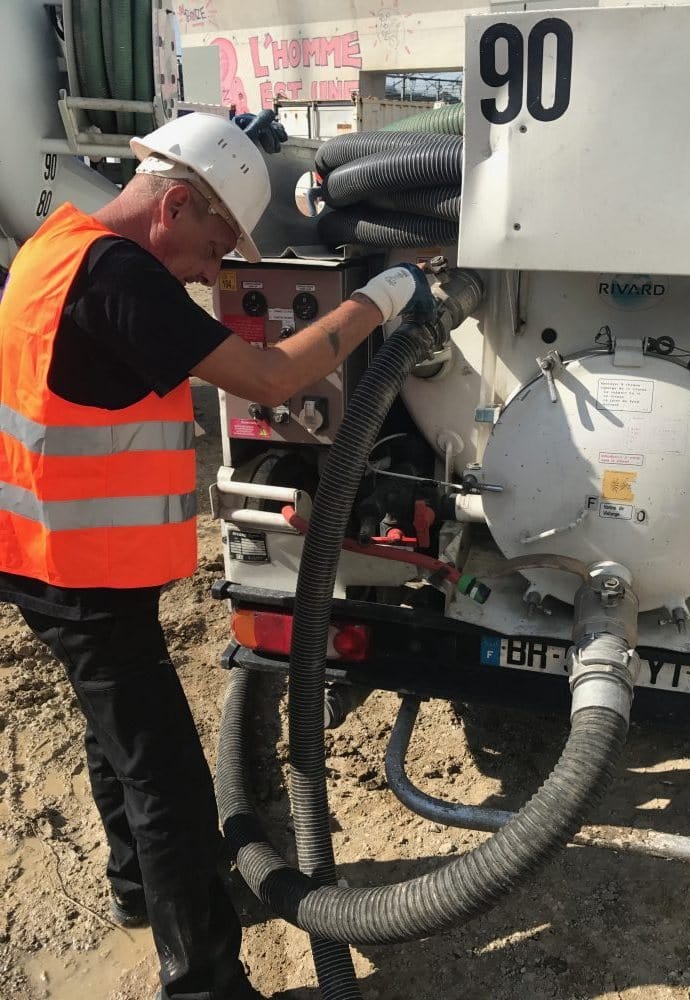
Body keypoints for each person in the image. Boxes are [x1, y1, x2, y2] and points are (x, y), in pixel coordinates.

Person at [0, 112, 436, 1000]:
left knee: (115, 737)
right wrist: (385, 296)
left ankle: (138, 892)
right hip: (78, 571)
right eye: (214, 241)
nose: (214, 270)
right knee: (167, 776)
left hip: (44, 551)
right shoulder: (117, 274)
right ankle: (202, 980)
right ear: (175, 204)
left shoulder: (54, 244)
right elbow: (276, 378)